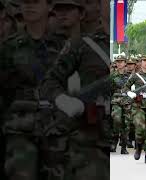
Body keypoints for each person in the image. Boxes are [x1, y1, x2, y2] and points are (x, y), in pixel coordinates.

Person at [40, 0, 110, 179]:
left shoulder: (138, 48)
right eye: (107, 3)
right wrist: (65, 101)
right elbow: (49, 82)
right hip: (92, 141)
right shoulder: (83, 44)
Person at [0, 0, 63, 179]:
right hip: (19, 129)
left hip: (55, 129)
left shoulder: (63, 46)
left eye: (35, 1)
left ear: (49, 7)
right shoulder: (8, 47)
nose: (29, 6)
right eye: (25, 2)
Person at [124, 54, 146, 164]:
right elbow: (125, 87)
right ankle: (139, 147)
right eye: (145, 60)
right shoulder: (135, 76)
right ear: (141, 62)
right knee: (140, 128)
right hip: (138, 105)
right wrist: (130, 93)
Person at [110, 54, 130, 154]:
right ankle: (114, 142)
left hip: (127, 102)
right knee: (116, 120)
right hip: (116, 101)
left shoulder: (130, 75)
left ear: (125, 63)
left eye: (121, 62)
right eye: (117, 62)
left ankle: (124, 146)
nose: (119, 63)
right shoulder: (112, 75)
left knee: (126, 124)